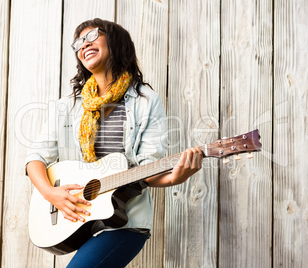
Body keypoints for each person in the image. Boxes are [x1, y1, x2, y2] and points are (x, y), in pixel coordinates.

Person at [25, 18, 203, 268]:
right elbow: (36, 157)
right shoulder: (68, 105)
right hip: (80, 219)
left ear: (116, 42)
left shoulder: (145, 101)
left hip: (125, 222)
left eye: (92, 36)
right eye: (78, 42)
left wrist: (176, 178)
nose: (83, 44)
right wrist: (50, 193)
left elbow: (147, 167)